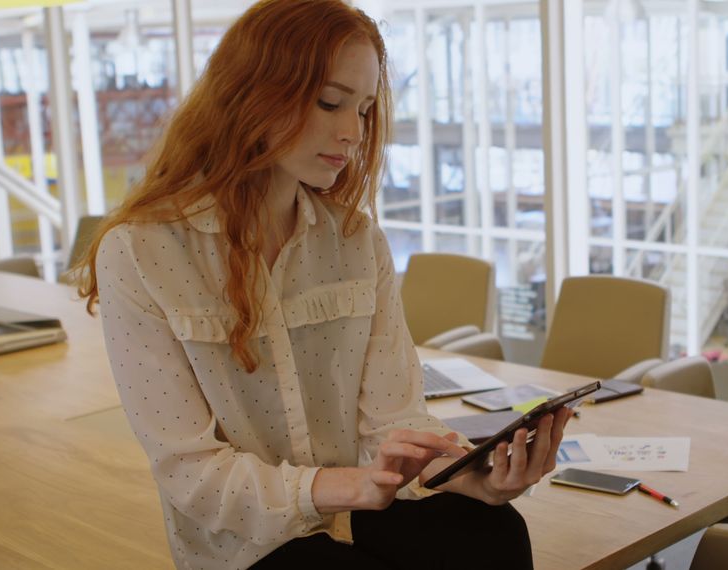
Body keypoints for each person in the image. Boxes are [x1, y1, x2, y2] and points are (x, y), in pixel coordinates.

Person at [74, 2, 570, 568]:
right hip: (249, 544)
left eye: (362, 109)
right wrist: (348, 486)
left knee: (492, 529)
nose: (353, 132)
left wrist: (469, 478)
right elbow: (192, 475)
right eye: (329, 102)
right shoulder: (141, 252)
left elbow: (394, 424)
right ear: (249, 94)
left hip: (358, 509)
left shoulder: (358, 242)